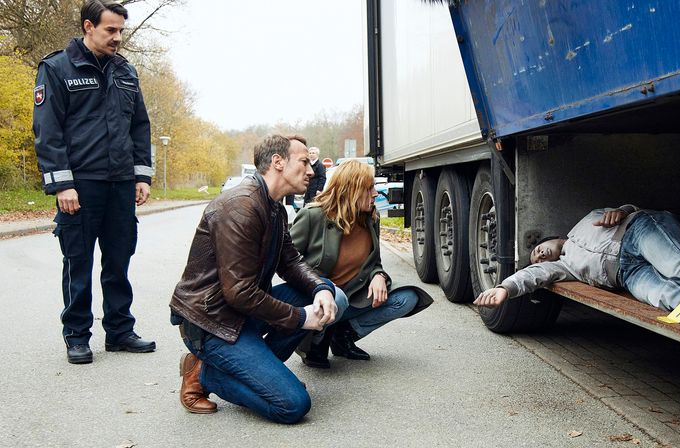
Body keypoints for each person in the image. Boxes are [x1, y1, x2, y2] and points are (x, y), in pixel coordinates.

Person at [169, 134, 348, 423]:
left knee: (320, 299)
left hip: (240, 314)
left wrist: (321, 288)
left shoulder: (274, 206)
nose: (312, 171)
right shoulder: (241, 207)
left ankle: (259, 375)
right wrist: (301, 318)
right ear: (278, 162)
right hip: (211, 322)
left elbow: (290, 262)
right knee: (292, 405)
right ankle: (204, 373)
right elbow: (238, 292)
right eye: (304, 162)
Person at [32, 0, 156, 364]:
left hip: (119, 184)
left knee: (119, 261)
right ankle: (76, 336)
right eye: (110, 30)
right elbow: (47, 130)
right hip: (80, 185)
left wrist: (141, 175)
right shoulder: (57, 68)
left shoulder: (126, 72)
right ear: (89, 27)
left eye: (121, 31)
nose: (118, 37)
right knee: (79, 262)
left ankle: (119, 331)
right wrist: (61, 185)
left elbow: (140, 126)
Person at [475, 205, 680, 336]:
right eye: (537, 259)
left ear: (554, 238)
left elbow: (624, 209)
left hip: (636, 232)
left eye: (538, 249)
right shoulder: (563, 267)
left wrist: (623, 211)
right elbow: (531, 277)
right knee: (664, 295)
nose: (539, 256)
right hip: (627, 275)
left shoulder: (581, 223)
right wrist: (504, 289)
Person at [290, 160, 433, 368]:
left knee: (407, 298)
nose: (375, 193)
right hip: (320, 298)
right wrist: (318, 287)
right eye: (370, 188)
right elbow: (288, 261)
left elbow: (375, 262)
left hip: (352, 298)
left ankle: (343, 336)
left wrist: (378, 276)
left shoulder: (370, 219)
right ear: (352, 189)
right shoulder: (313, 216)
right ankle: (313, 343)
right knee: (336, 297)